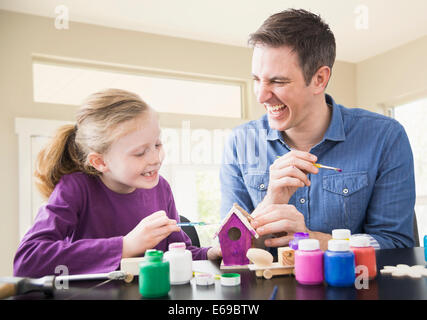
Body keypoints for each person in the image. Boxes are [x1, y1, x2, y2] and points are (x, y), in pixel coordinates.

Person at [220, 9, 415, 251]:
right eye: (256, 80)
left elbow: (397, 245)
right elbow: (229, 250)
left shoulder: (385, 137)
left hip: (354, 287)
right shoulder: (240, 143)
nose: (261, 95)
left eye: (278, 81)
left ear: (319, 79)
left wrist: (312, 240)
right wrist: (270, 203)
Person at [14, 88, 221, 277]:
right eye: (140, 153)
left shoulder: (161, 188)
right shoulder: (75, 188)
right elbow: (28, 260)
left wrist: (211, 253)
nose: (156, 158)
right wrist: (125, 246)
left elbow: (179, 253)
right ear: (100, 161)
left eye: (157, 144)